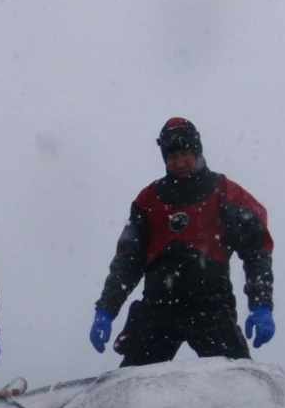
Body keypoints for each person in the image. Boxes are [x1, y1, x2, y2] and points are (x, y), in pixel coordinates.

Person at [89, 117, 275, 366]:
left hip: (211, 307)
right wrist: (106, 310)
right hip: (158, 309)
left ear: (197, 151)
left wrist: (261, 305)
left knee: (237, 383)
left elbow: (257, 250)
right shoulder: (148, 202)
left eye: (186, 154)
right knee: (131, 386)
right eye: (173, 157)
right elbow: (127, 262)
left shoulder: (226, 194)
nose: (181, 163)